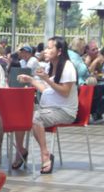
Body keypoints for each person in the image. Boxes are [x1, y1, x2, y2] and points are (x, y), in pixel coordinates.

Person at [17, 37, 78, 174]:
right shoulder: (50, 66)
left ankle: (45, 154)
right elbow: (47, 90)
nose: (46, 50)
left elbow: (65, 92)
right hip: (48, 109)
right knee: (22, 113)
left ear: (59, 51)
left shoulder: (68, 66)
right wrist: (31, 80)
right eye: (46, 47)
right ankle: (20, 150)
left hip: (64, 111)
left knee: (36, 117)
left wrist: (46, 79)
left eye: (50, 48)